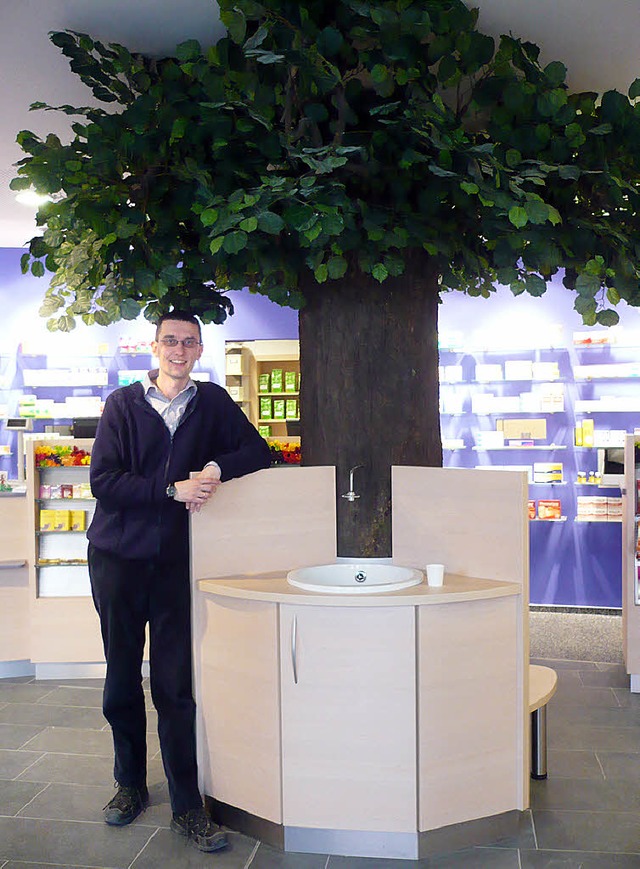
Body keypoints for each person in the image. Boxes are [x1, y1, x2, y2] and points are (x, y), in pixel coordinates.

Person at [87, 311, 271, 852]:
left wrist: (214, 470)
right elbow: (104, 480)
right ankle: (129, 786)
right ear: (155, 346)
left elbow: (259, 451)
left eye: (189, 342)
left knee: (175, 685)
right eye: (171, 340)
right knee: (122, 676)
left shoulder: (211, 402)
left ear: (198, 350)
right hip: (118, 559)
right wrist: (172, 491)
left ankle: (187, 805)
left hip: (176, 565)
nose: (178, 350)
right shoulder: (122, 405)